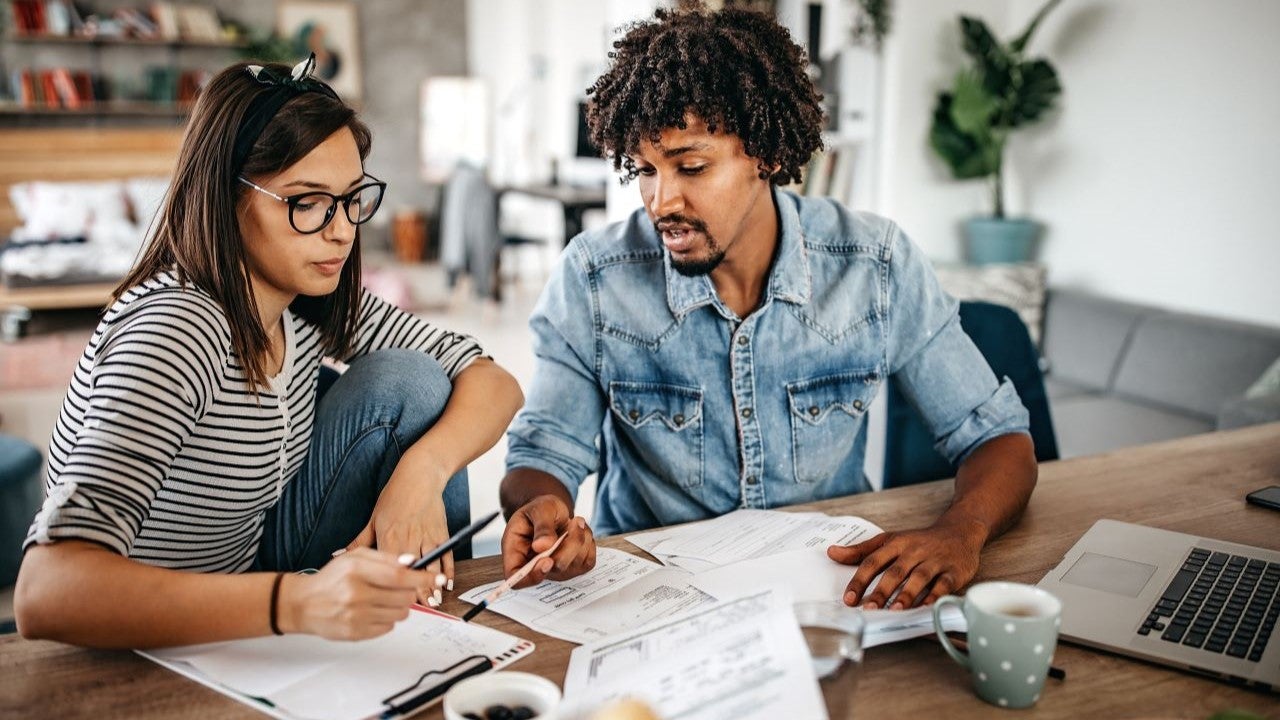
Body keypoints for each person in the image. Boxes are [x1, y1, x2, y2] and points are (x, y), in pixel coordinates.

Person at [498, 6, 1037, 611]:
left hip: (832, 591)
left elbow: (999, 440)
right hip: (655, 599)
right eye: (645, 170)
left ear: (767, 155)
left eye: (691, 166)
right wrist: (543, 511)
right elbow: (542, 456)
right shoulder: (595, 278)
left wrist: (960, 532)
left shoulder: (874, 264)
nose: (660, 200)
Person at [14, 56, 523, 648]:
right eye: (306, 202)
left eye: (351, 197)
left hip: (254, 564)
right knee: (408, 384)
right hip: (156, 627)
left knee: (415, 382)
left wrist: (420, 474)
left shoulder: (305, 301)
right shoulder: (177, 329)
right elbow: (44, 590)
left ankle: (435, 637)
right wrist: (299, 602)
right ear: (226, 196)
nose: (341, 231)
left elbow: (494, 380)